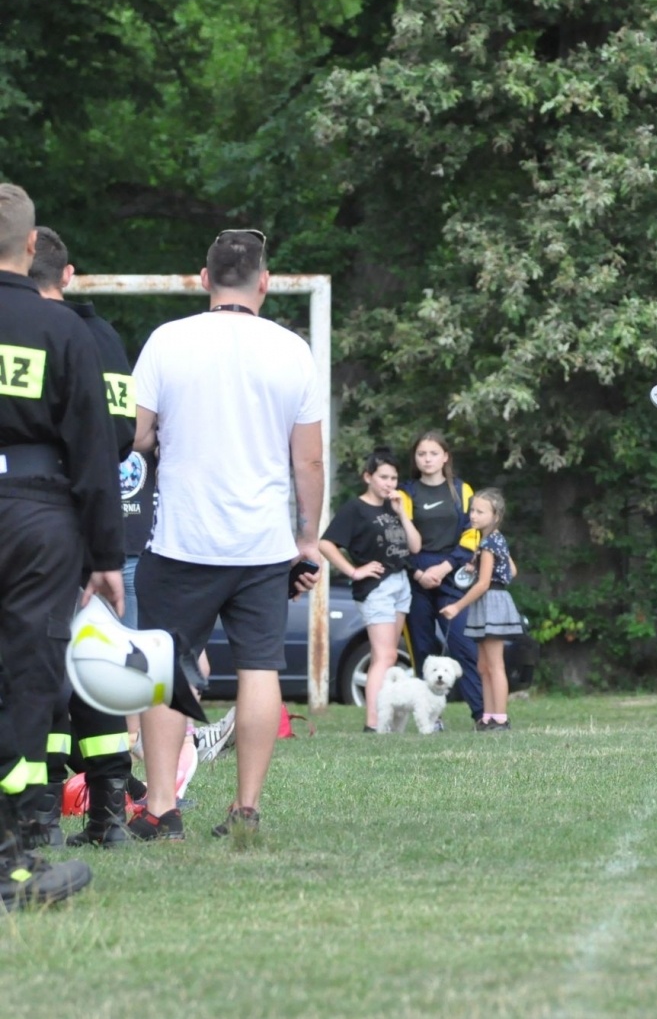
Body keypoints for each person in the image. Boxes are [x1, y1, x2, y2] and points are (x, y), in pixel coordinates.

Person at [130, 227, 324, 841]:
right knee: (259, 668)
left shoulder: (167, 341)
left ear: (204, 278)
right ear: (264, 282)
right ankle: (245, 808)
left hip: (182, 537)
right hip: (262, 542)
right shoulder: (292, 350)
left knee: (165, 670)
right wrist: (307, 538)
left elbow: (136, 436)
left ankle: (161, 808)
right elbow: (309, 462)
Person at [0, 183, 123, 910]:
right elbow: (94, 453)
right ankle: (14, 859)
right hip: (39, 519)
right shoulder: (61, 330)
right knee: (28, 675)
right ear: (29, 247)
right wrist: (105, 555)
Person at [27, 226, 141, 848]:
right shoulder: (103, 338)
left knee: (34, 660)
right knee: (90, 665)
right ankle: (109, 811)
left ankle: (40, 812)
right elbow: (120, 433)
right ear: (69, 274)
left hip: (37, 512)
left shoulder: (30, 329)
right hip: (91, 515)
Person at [320, 449, 422, 732]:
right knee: (385, 655)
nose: (389, 483)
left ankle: (383, 720)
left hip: (401, 582)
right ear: (368, 477)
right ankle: (373, 723)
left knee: (388, 655)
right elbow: (326, 544)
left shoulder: (395, 506)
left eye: (394, 478)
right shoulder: (356, 508)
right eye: (383, 477)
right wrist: (354, 571)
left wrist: (402, 513)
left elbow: (414, 546)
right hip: (376, 586)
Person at [396, 431, 484, 724]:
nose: (427, 459)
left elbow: (472, 534)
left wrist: (446, 566)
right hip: (417, 578)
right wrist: (418, 571)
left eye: (433, 453)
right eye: (422, 454)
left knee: (464, 644)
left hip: (452, 575)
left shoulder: (462, 489)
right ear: (415, 459)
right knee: (422, 649)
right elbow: (398, 538)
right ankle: (431, 720)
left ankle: (482, 715)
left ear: (445, 457)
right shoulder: (406, 492)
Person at [439, 489, 526, 731]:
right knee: (483, 665)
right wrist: (476, 566)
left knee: (495, 664)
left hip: (491, 602)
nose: (473, 516)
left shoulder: (489, 543)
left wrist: (457, 606)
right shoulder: (493, 540)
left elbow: (484, 584)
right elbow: (513, 571)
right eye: (472, 511)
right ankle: (488, 716)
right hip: (488, 602)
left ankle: (500, 718)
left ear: (495, 515)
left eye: (480, 511)